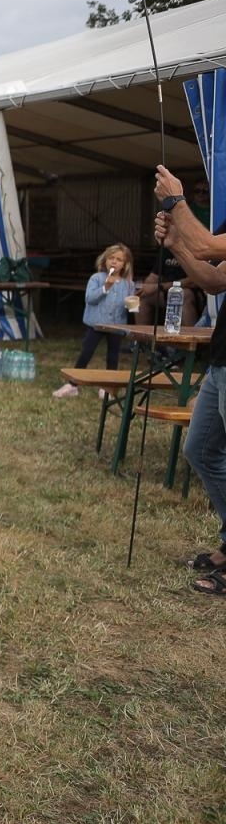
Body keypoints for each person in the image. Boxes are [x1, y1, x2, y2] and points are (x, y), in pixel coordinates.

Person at [150, 192, 226, 595]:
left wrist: (176, 201)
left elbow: (209, 246)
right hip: (222, 356)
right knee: (200, 449)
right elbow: (215, 278)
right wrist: (175, 243)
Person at [52, 244, 135, 398]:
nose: (114, 262)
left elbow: (130, 308)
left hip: (116, 326)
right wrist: (105, 288)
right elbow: (90, 299)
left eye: (119, 260)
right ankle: (72, 384)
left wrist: (134, 303)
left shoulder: (128, 284)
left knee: (113, 356)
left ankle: (108, 387)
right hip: (96, 325)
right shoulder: (96, 279)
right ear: (105, 260)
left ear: (125, 264)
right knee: (86, 352)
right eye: (111, 258)